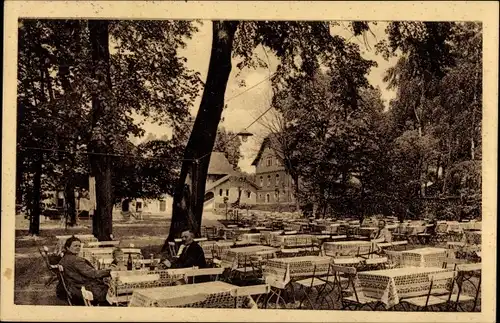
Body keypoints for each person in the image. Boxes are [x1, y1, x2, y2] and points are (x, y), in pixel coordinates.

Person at [58, 236, 111, 305]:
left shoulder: (65, 258)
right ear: (68, 247)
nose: (78, 248)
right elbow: (93, 274)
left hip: (72, 287)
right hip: (80, 289)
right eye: (75, 246)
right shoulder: (76, 260)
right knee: (111, 290)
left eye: (79, 246)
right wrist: (109, 271)